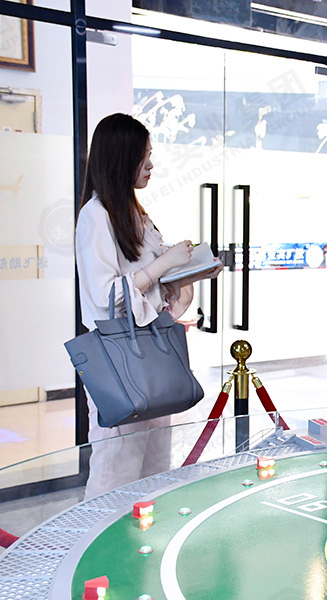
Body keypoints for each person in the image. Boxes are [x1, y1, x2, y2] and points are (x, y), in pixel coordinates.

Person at [75, 113, 222, 497]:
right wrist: (164, 263)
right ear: (121, 157)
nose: (151, 164)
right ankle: (103, 536)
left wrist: (190, 271)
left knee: (153, 470)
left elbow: (151, 288)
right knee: (115, 471)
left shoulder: (134, 213)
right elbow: (107, 296)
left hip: (149, 353)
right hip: (121, 357)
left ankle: (141, 531)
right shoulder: (95, 216)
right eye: (144, 156)